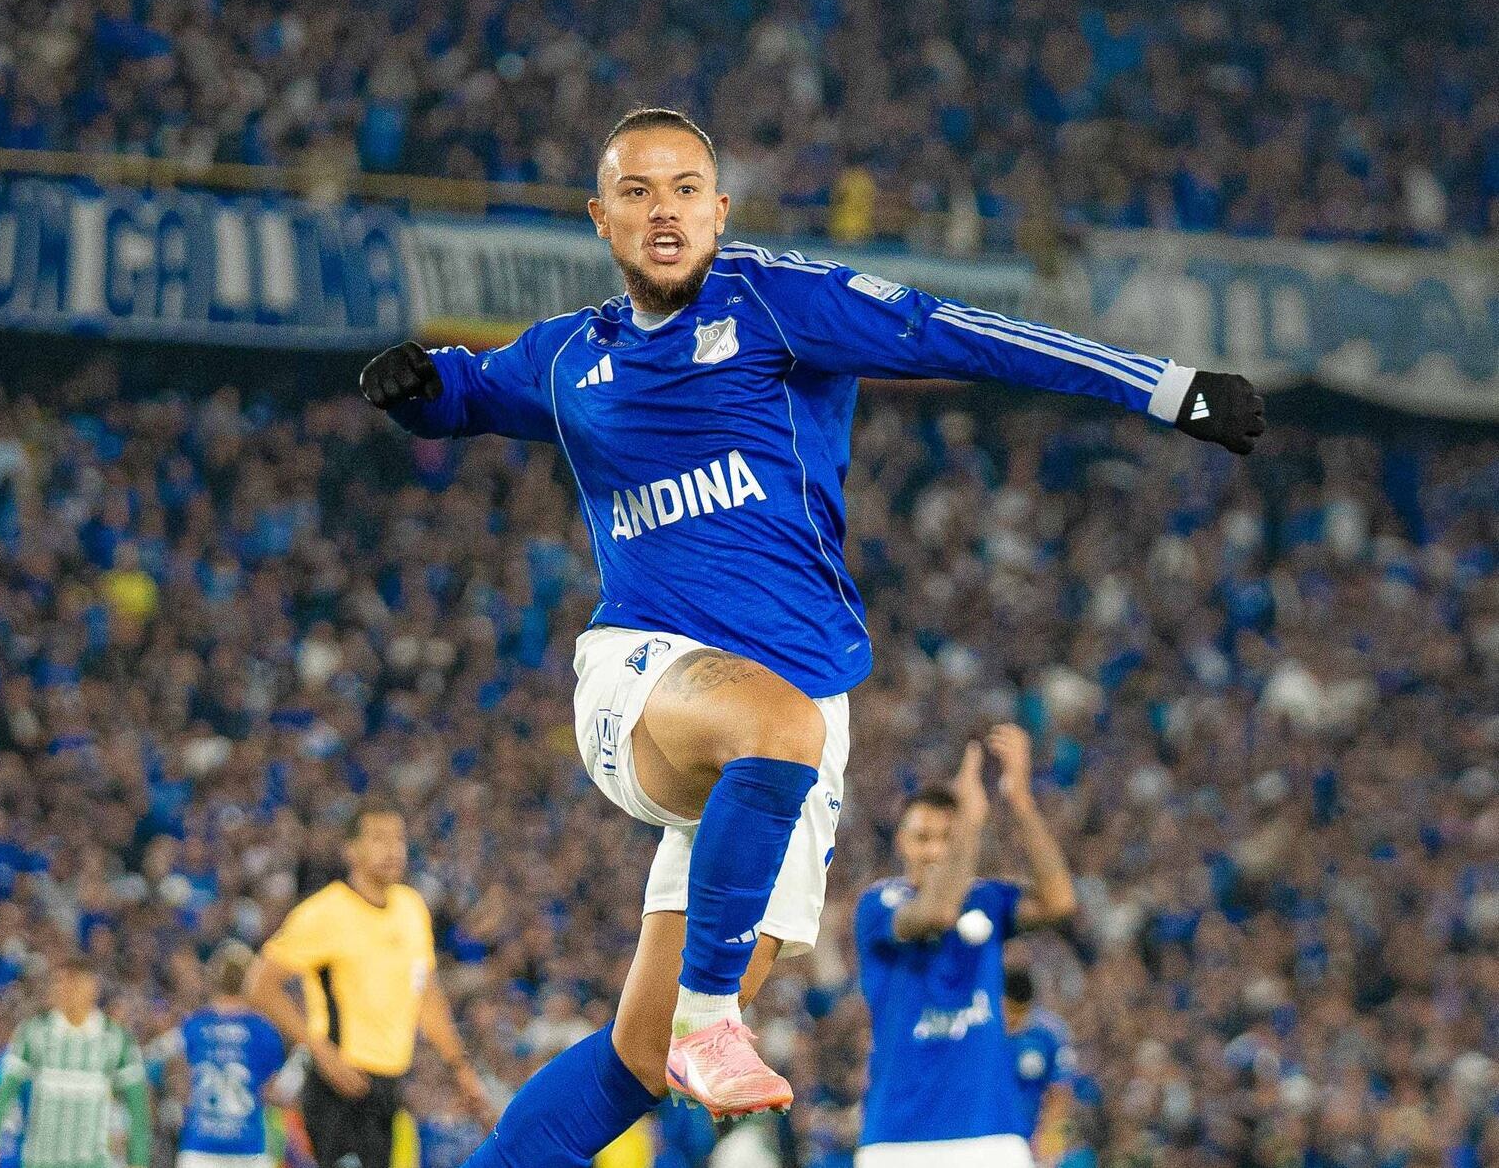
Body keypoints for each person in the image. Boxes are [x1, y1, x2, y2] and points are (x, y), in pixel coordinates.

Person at [358, 107, 1264, 1164]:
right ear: (601, 219)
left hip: (794, 729)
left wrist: (1164, 387)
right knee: (771, 743)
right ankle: (712, 1018)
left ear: (719, 209)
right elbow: (468, 392)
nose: (665, 211)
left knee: (638, 1058)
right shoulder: (572, 356)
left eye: (685, 190)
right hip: (645, 679)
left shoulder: (781, 304)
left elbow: (962, 334)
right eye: (638, 192)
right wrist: (416, 388)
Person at [853, 725, 1076, 1167]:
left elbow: (1059, 900)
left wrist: (1020, 802)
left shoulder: (987, 900)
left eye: (946, 838)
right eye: (922, 838)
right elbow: (936, 913)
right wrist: (969, 823)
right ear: (901, 842)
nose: (935, 851)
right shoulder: (880, 904)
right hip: (898, 1141)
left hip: (992, 1135)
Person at [246, 797, 492, 1168]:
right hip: (339, 1085)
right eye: (378, 839)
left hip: (388, 1086)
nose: (392, 850)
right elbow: (260, 985)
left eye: (398, 839)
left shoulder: (411, 909)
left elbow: (426, 997)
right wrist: (322, 1053)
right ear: (351, 850)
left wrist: (461, 1068)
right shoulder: (326, 911)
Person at [0, 957, 152, 1168]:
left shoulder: (117, 1040)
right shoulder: (33, 1032)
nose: (63, 989)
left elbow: (137, 1106)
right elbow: (3, 1090)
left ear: (91, 987)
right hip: (41, 1161)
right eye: (58, 982)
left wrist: (139, 1160)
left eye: (72, 982)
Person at [148, 942, 291, 1168]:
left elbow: (157, 1064)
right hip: (249, 1150)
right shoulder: (264, 1031)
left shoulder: (194, 1026)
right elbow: (273, 1090)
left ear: (213, 980)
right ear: (250, 980)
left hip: (199, 1148)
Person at [1002, 967, 1076, 1166]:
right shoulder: (982, 1030)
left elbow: (1060, 1092)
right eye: (1008, 1010)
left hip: (1029, 1140)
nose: (1012, 1019)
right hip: (986, 1133)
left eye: (1020, 1012)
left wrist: (1050, 1139)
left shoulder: (1049, 1034)